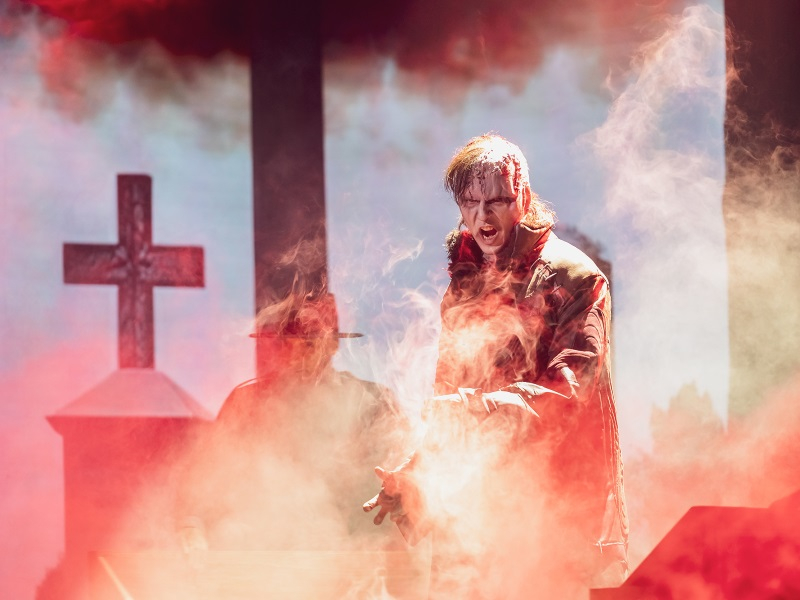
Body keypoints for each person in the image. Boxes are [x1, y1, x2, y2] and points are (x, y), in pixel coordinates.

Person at [364, 134, 628, 598]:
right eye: (470, 203)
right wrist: (418, 474)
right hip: (472, 519)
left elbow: (568, 391)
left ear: (522, 197)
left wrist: (476, 407)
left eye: (497, 201)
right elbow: (449, 402)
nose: (483, 217)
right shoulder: (464, 286)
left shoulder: (575, 278)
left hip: (550, 513)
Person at [176, 287, 416, 596]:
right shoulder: (246, 401)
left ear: (334, 345)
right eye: (295, 342)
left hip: (353, 564)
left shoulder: (371, 399)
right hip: (262, 565)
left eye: (314, 342)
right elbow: (203, 480)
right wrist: (191, 527)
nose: (303, 353)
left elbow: (405, 477)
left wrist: (404, 493)